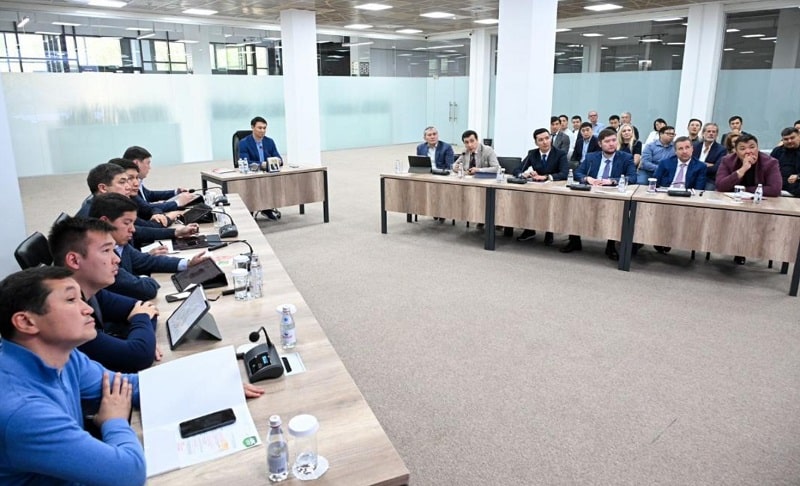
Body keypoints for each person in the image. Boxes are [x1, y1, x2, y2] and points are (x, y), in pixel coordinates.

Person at [0, 266, 147, 485]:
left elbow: (125, 386)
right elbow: (129, 474)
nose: (88, 309)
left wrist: (199, 379)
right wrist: (114, 420)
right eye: (71, 300)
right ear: (26, 322)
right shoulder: (22, 411)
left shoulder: (64, 355)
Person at [49, 216, 160, 373]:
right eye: (106, 251)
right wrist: (143, 337)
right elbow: (139, 356)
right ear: (74, 260)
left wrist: (143, 339)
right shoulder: (65, 317)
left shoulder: (92, 291)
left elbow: (146, 308)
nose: (117, 259)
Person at [89, 193, 207, 301]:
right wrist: (144, 277)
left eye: (133, 223)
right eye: (126, 223)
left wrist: (188, 263)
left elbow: (146, 260)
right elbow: (145, 290)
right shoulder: (100, 256)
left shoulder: (117, 243)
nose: (133, 229)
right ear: (105, 222)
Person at [76, 163, 198, 248]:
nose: (128, 186)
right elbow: (138, 232)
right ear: (103, 188)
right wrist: (173, 224)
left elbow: (138, 230)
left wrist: (177, 231)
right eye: (122, 182)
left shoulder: (110, 205)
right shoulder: (93, 217)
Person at [561, 129, 637, 259]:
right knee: (574, 205)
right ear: (600, 144)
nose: (611, 144)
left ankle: (611, 246)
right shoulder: (591, 157)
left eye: (613, 140)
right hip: (592, 191)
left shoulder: (625, 157)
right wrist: (587, 179)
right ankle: (574, 241)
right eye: (607, 141)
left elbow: (633, 177)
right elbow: (578, 172)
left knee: (616, 212)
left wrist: (612, 181)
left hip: (613, 193)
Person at [716, 133, 782, 265]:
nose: (748, 152)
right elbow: (721, 186)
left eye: (752, 147)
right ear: (736, 151)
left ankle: (745, 250)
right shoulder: (727, 160)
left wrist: (744, 190)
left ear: (758, 147)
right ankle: (730, 247)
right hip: (732, 204)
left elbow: (775, 189)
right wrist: (742, 169)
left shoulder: (770, 162)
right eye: (742, 148)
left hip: (759, 205)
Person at [515, 128, 568, 245]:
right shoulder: (532, 154)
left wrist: (546, 177)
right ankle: (529, 230)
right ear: (536, 142)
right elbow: (518, 169)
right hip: (537, 188)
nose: (545, 142)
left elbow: (564, 174)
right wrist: (524, 174)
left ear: (551, 139)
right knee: (527, 201)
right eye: (541, 140)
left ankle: (549, 232)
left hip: (553, 188)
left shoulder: (560, 154)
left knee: (549, 205)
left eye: (547, 138)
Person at [123, 145, 196, 212]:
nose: (149, 167)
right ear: (136, 163)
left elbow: (149, 195)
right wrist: (178, 202)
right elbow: (146, 208)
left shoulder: (136, 181)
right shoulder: (127, 186)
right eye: (148, 163)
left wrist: (176, 192)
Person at [239, 116, 283, 220]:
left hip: (268, 174)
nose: (262, 130)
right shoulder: (244, 143)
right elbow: (246, 161)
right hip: (251, 175)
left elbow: (279, 158)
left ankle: (267, 208)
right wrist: (261, 164)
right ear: (252, 127)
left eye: (264, 128)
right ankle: (250, 210)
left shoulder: (269, 142)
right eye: (259, 128)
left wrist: (278, 161)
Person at [693, 122, 727, 191]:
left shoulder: (721, 149)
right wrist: (706, 164)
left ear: (716, 135)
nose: (711, 134)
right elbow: (690, 163)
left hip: (709, 179)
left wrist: (698, 164)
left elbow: (716, 168)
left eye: (713, 132)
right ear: (703, 133)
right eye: (708, 131)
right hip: (693, 176)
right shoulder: (695, 146)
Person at [773, 127, 800, 196]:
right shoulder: (777, 151)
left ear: (799, 136)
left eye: (792, 138)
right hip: (779, 186)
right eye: (786, 139)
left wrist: (798, 176)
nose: (789, 141)